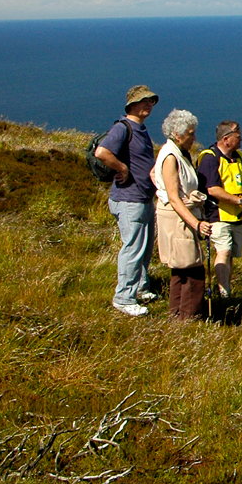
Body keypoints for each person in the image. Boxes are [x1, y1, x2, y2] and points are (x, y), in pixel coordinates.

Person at [92, 84, 159, 317]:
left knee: (144, 246)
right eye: (144, 101)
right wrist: (121, 167)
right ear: (132, 105)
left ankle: (140, 287)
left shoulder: (140, 129)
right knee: (133, 247)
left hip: (142, 198)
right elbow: (101, 152)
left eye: (151, 101)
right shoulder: (123, 128)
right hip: (129, 198)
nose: (148, 104)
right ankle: (123, 297)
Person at [152, 109, 212, 320]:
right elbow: (174, 197)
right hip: (179, 219)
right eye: (190, 133)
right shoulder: (171, 156)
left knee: (180, 269)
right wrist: (196, 223)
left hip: (180, 214)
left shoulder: (174, 152)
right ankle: (189, 318)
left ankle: (176, 316)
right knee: (192, 269)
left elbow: (153, 174)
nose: (194, 138)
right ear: (177, 135)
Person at [197, 120, 242, 298]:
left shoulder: (237, 156)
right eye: (237, 137)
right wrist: (238, 201)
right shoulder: (209, 158)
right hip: (218, 215)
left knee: (231, 255)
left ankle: (226, 288)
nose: (241, 140)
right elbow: (212, 189)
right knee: (224, 251)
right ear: (225, 139)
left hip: (237, 216)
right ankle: (224, 294)